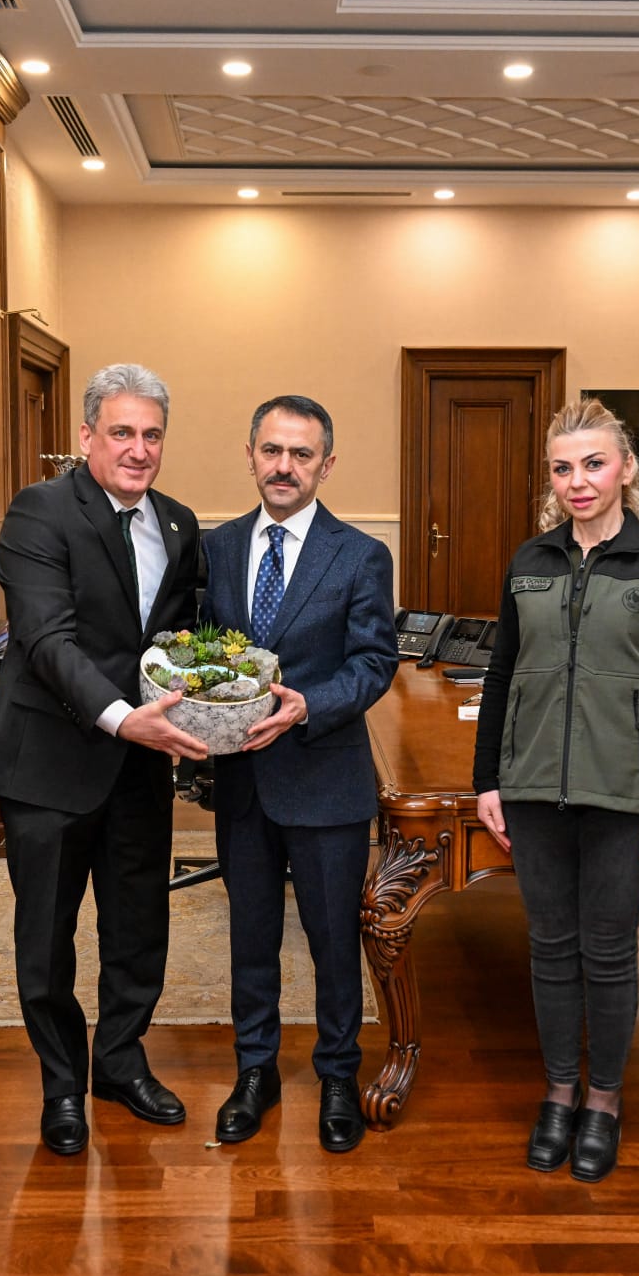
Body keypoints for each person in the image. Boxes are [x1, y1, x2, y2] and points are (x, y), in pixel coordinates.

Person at [472, 398, 639, 1182]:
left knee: (607, 953)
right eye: (563, 467)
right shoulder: (529, 561)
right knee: (549, 950)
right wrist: (487, 781)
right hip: (533, 789)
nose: (578, 481)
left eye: (594, 464)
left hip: (624, 793)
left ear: (625, 468)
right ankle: (559, 1093)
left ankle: (604, 1098)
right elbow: (502, 674)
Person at [0, 363, 207, 1156]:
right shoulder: (38, 512)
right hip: (49, 764)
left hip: (141, 771)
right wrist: (122, 720)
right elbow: (45, 639)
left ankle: (118, 1061)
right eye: (121, 432)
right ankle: (60, 1085)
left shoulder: (178, 525)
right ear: (87, 437)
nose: (138, 449)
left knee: (139, 927)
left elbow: (181, 645)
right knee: (46, 938)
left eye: (151, 435)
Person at [200, 395, 398, 1153]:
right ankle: (256, 1070)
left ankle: (339, 1072)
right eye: (272, 450)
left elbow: (374, 663)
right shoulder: (215, 550)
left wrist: (307, 705)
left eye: (302, 454)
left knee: (330, 941)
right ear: (251, 454)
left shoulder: (359, 555)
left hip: (326, 777)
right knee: (250, 936)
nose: (284, 466)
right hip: (243, 782)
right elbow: (201, 651)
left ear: (326, 464)